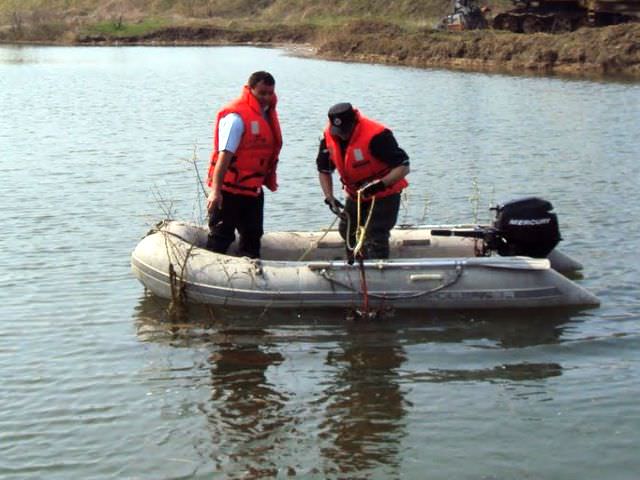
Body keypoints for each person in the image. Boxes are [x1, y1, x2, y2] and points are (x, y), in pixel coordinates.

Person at [317, 102, 410, 262]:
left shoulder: (377, 135)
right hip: (355, 195)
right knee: (346, 228)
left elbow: (403, 166)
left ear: (354, 122)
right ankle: (354, 263)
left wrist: (380, 184)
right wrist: (329, 197)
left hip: (385, 193)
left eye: (346, 131)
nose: (343, 135)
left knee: (375, 232)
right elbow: (324, 170)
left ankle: (378, 269)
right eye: (339, 131)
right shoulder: (329, 137)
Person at [205, 71, 282, 258]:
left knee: (252, 236)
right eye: (261, 93)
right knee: (221, 236)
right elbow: (224, 156)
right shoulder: (236, 118)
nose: (266, 98)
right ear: (250, 89)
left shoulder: (267, 114)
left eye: (269, 93)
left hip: (252, 190)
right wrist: (215, 192)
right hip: (228, 191)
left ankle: (249, 279)